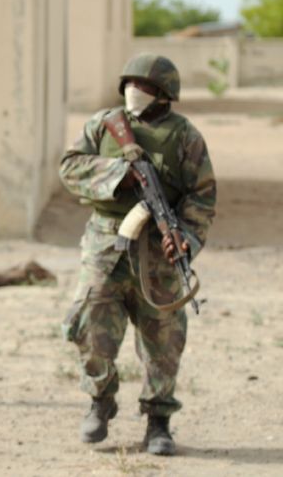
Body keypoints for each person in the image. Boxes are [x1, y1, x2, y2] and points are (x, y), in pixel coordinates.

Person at [59, 53, 216, 456]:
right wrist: (118, 174)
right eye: (130, 83)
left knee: (163, 339)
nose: (135, 91)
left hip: (158, 255)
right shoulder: (103, 124)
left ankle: (158, 420)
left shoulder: (185, 137)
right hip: (106, 244)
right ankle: (100, 400)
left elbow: (202, 196)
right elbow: (70, 167)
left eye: (144, 86)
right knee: (90, 324)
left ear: (164, 94)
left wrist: (185, 239)